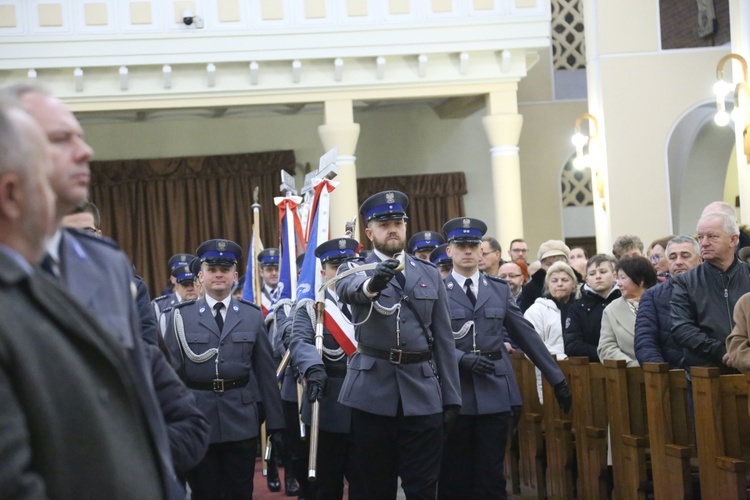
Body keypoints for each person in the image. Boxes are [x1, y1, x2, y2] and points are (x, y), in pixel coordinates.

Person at [6, 82, 190, 497]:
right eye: (59, 139)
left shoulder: (106, 263)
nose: (85, 151)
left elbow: (138, 400)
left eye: (80, 136)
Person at [334, 190, 461, 499]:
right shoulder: (353, 268)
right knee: (375, 487)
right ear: (369, 232)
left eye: (397, 222)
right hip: (372, 395)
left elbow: (443, 339)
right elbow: (349, 291)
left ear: (406, 226)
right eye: (383, 224)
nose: (392, 229)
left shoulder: (429, 273)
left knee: (423, 486)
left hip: (422, 394)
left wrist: (452, 397)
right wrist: (372, 283)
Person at [439, 217, 571, 499]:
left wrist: (556, 378)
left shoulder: (497, 289)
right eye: (460, 245)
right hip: (454, 391)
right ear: (449, 251)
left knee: (492, 476)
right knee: (455, 477)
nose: (468, 251)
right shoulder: (437, 291)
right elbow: (428, 338)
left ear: (482, 252)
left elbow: (526, 335)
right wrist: (461, 358)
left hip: (493, 392)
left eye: (473, 245)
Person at [164, 239, 285, 499]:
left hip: (240, 417)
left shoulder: (252, 315)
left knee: (240, 491)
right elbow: (174, 373)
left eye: (225, 268)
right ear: (200, 275)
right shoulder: (180, 316)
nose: (219, 274)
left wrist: (276, 424)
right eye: (212, 268)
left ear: (235, 275)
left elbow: (265, 371)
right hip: (198, 417)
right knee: (204, 491)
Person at [289, 237, 363, 499]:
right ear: (323, 272)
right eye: (335, 265)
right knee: (327, 486)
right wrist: (313, 367)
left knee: (369, 484)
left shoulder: (369, 304)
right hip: (328, 402)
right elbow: (299, 342)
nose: (342, 270)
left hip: (368, 404)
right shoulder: (312, 308)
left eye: (349, 264)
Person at [671, 211, 750, 374]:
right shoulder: (686, 281)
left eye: (712, 236)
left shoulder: (748, 273)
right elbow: (682, 328)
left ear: (733, 240)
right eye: (700, 237)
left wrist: (742, 355)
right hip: (706, 375)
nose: (704, 243)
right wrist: (721, 352)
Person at [634, 236, 701, 368]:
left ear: (699, 260)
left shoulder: (714, 289)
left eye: (685, 256)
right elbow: (645, 340)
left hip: (712, 371)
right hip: (671, 375)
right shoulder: (652, 296)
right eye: (672, 257)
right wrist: (659, 372)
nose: (678, 262)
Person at [524, 261, 578, 399]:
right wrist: (560, 358)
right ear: (548, 285)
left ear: (573, 284)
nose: (559, 284)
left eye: (565, 280)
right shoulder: (536, 311)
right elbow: (532, 346)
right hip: (549, 373)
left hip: (579, 370)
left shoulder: (580, 308)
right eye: (554, 280)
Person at [597, 256, 657, 367]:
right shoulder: (612, 310)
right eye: (618, 278)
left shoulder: (661, 302)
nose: (618, 283)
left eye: (623, 278)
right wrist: (631, 364)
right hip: (630, 375)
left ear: (640, 280)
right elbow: (606, 347)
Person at [563, 254, 621, 361]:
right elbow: (571, 345)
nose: (598, 276)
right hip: (592, 370)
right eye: (592, 274)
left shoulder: (624, 302)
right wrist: (604, 354)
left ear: (614, 275)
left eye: (603, 272)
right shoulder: (577, 308)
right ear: (587, 279)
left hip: (626, 364)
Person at [520, 239, 570, 313]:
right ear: (542, 266)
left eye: (558, 263)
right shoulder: (530, 289)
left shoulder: (577, 285)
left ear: (566, 263)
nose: (554, 267)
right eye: (549, 264)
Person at [258, 247, 281, 316]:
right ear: (261, 272)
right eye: (269, 269)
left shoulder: (288, 294)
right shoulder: (257, 297)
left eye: (277, 269)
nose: (274, 273)